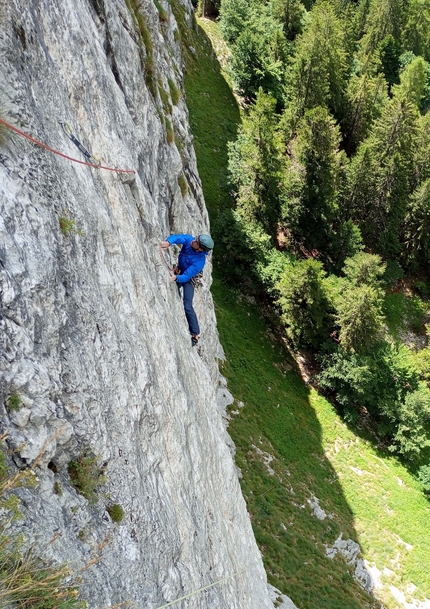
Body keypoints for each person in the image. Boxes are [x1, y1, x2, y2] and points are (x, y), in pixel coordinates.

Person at [160, 233, 214, 346]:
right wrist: (169, 242)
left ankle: (195, 333)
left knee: (187, 304)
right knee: (175, 293)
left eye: (196, 242)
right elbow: (178, 238)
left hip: (189, 279)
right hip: (181, 270)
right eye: (195, 239)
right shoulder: (190, 240)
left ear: (200, 249)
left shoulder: (200, 262)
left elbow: (187, 276)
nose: (193, 241)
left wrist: (176, 277)